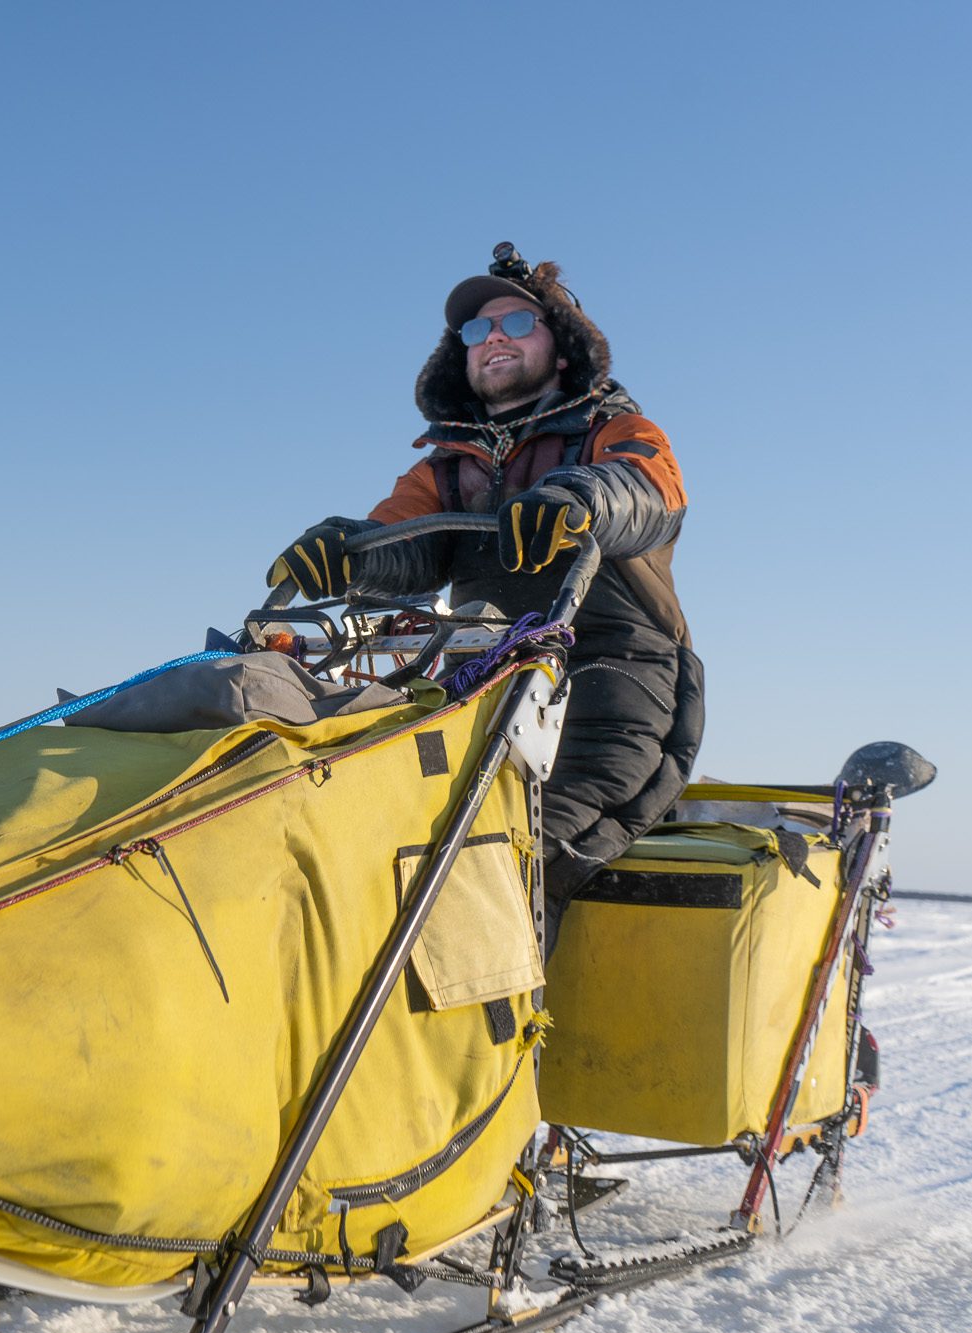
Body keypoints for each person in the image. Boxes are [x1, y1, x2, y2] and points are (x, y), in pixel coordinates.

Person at [267, 243, 703, 944]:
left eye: (515, 323)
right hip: (482, 690)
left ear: (560, 348)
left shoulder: (617, 430)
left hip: (609, 695)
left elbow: (649, 487)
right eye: (475, 330)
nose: (492, 337)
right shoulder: (448, 468)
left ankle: (492, 1049)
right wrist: (344, 554)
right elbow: (400, 536)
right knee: (364, 846)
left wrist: (577, 499)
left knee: (503, 863)